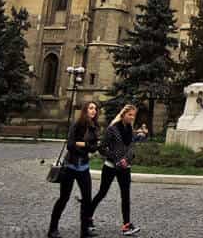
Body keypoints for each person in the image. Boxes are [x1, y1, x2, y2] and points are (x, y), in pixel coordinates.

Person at [89, 104, 146, 236]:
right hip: (110, 166)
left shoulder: (130, 130)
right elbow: (102, 148)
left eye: (133, 115)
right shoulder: (112, 129)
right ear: (123, 114)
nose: (132, 117)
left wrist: (127, 160)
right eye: (129, 114)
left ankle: (126, 225)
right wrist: (116, 159)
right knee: (102, 193)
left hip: (125, 168)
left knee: (126, 196)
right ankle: (87, 217)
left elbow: (131, 148)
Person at [49, 101, 99, 238]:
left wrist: (84, 144)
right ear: (85, 110)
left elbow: (95, 147)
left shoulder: (95, 127)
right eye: (91, 108)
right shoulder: (77, 124)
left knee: (87, 199)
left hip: (84, 168)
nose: (93, 111)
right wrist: (87, 147)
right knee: (64, 198)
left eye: (95, 108)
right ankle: (52, 229)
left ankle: (84, 231)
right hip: (70, 167)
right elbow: (70, 145)